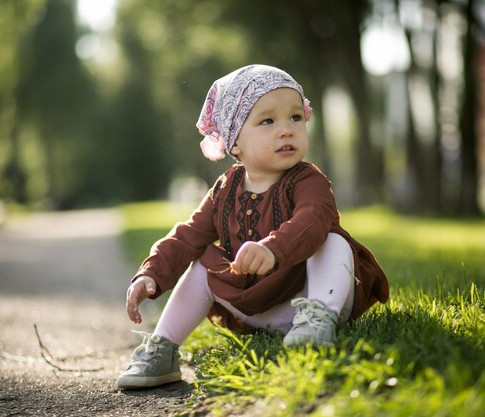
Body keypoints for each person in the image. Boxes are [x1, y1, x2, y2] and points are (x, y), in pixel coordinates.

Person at [116, 65, 389, 390]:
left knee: (331, 241)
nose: (286, 130)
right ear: (235, 143)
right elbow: (187, 235)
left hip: (310, 295)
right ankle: (162, 347)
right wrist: (150, 273)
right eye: (268, 121)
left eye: (295, 118)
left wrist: (274, 249)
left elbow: (312, 219)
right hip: (257, 307)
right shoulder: (225, 189)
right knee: (203, 259)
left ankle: (317, 322)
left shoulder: (308, 180)